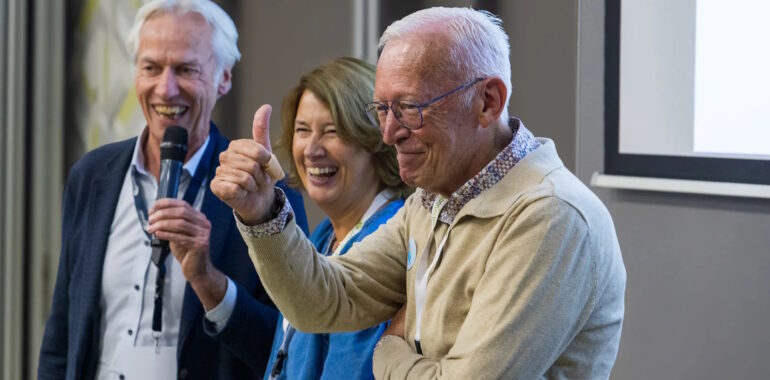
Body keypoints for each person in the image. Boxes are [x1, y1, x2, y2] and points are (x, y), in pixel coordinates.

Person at [212, 7, 626, 380]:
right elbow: (321, 302)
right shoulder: (432, 201)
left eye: (410, 108)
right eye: (382, 110)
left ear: (488, 101)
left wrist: (389, 351)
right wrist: (261, 212)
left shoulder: (550, 216)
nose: (389, 133)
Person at [38, 1, 308, 379]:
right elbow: (62, 335)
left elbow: (291, 352)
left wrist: (209, 282)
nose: (165, 89)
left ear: (223, 78)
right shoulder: (92, 176)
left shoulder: (260, 194)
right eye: (151, 68)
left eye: (186, 69)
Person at [259, 57, 412, 380]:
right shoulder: (324, 234)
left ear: (375, 139)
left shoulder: (390, 239)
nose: (311, 149)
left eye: (333, 132)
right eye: (302, 130)